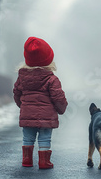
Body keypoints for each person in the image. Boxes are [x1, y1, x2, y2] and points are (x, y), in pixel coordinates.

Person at [13, 37, 68, 169]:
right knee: (44, 138)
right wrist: (62, 108)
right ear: (48, 61)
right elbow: (58, 97)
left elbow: (16, 93)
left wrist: (23, 106)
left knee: (28, 138)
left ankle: (26, 160)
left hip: (27, 114)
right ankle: (44, 162)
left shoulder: (22, 77)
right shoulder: (51, 79)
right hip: (46, 117)